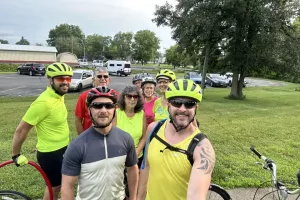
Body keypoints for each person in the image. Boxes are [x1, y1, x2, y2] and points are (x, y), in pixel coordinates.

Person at [137, 79, 216, 200]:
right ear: (168, 105)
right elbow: (146, 168)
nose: (182, 109)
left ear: (196, 108)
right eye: (177, 103)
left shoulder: (202, 148)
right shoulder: (153, 129)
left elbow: (197, 195)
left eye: (189, 104)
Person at [61, 87, 139, 200]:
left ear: (114, 110)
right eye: (97, 106)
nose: (103, 110)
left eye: (108, 106)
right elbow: (67, 187)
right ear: (89, 110)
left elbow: (132, 169)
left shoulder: (126, 139)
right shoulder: (77, 146)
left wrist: (133, 198)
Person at [11, 62, 73, 200]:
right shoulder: (43, 102)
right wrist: (16, 154)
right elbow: (21, 130)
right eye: (60, 79)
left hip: (63, 149)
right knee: (54, 188)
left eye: (68, 79)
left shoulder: (58, 96)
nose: (65, 82)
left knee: (62, 184)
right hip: (50, 154)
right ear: (50, 80)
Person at [74, 67, 119, 134]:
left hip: (109, 135)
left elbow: (116, 117)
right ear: (93, 79)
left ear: (109, 80)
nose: (103, 79)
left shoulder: (116, 95)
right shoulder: (84, 96)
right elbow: (78, 120)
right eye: (99, 76)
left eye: (105, 76)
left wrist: (113, 135)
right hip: (89, 136)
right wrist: (82, 138)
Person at [113, 85, 147, 168]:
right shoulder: (116, 113)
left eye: (135, 96)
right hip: (119, 156)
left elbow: (144, 136)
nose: (132, 99)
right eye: (129, 96)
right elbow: (112, 136)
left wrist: (137, 152)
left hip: (137, 156)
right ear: (123, 98)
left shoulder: (141, 114)